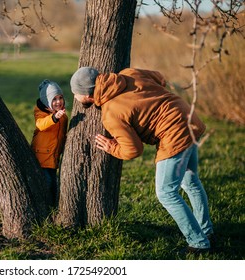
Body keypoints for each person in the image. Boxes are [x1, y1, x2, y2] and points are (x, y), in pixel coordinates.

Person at [70, 66, 214, 254]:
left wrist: (111, 147)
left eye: (76, 94)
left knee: (166, 193)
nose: (74, 98)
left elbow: (133, 150)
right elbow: (160, 77)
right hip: (189, 118)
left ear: (87, 94)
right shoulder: (128, 74)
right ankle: (206, 230)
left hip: (174, 135)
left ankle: (198, 243)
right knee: (190, 181)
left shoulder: (111, 113)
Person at [31, 79, 68, 207]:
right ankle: (45, 207)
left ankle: (53, 207)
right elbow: (40, 125)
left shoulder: (63, 116)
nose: (58, 102)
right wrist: (54, 117)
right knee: (46, 182)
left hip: (53, 156)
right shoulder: (40, 113)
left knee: (54, 183)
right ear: (47, 101)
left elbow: (62, 134)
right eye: (54, 99)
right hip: (41, 156)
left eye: (60, 98)